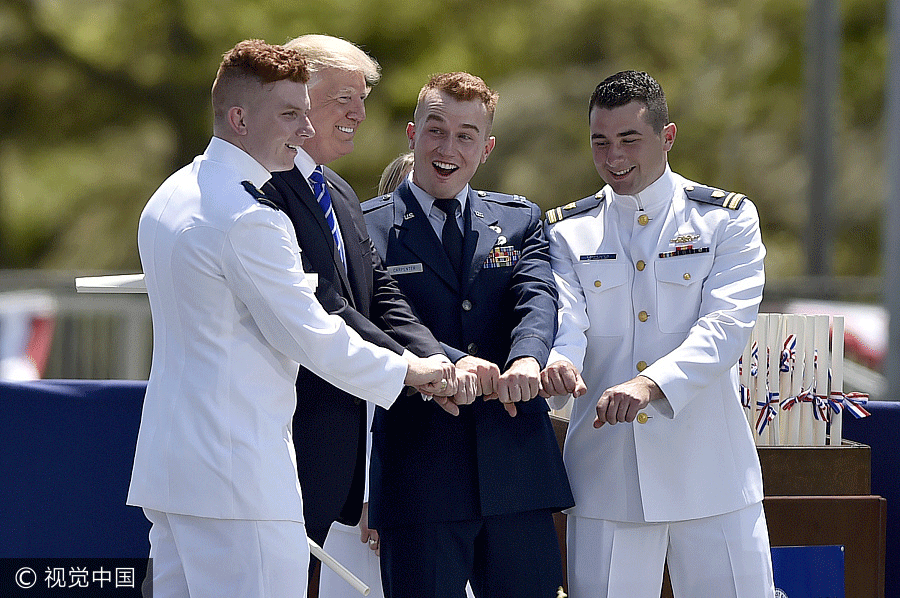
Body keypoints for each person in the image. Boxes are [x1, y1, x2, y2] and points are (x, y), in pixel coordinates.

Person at [126, 39, 457, 598]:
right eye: (288, 115)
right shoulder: (250, 216)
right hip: (240, 477)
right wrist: (409, 373)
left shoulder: (172, 192)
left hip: (173, 474)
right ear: (238, 118)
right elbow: (313, 334)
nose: (305, 131)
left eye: (306, 114)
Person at [540, 70, 774, 597]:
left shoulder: (726, 221)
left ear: (667, 137)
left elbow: (725, 325)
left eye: (629, 139)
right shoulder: (566, 230)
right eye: (600, 142)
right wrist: (561, 362)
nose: (613, 156)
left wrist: (649, 385)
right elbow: (567, 318)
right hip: (608, 476)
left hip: (709, 474)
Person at [262, 36, 470, 595]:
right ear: (297, 98)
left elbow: (378, 293)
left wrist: (437, 358)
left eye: (362, 99)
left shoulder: (336, 190)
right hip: (283, 444)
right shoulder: (266, 190)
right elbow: (327, 303)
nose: (358, 113)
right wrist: (415, 370)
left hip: (335, 454)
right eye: (344, 99)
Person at [361, 72, 574, 598]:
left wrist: (528, 360)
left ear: (486, 148)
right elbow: (381, 320)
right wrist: (455, 362)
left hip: (517, 470)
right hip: (421, 475)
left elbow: (537, 296)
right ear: (411, 135)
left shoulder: (519, 219)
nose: (448, 148)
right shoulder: (366, 226)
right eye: (436, 130)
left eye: (466, 135)